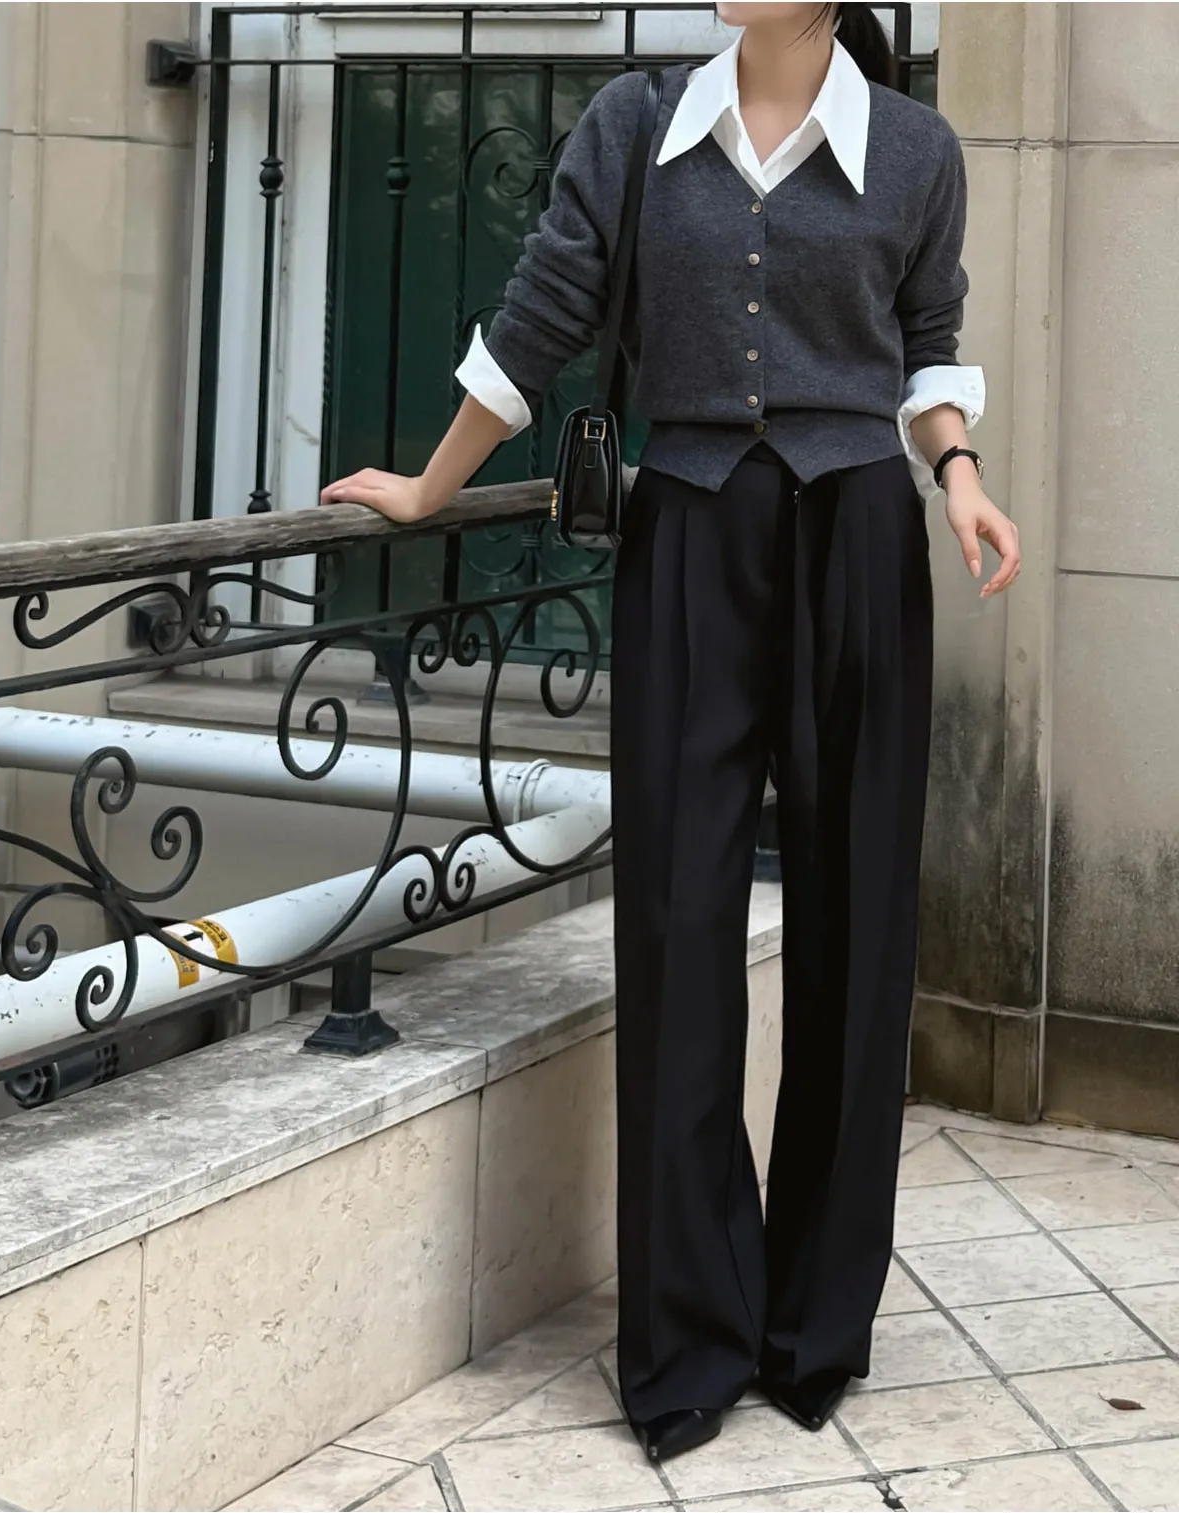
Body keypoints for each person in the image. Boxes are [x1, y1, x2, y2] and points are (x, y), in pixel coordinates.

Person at [322, 0, 1020, 1467]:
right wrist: (432, 487)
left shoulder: (916, 151)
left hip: (858, 541)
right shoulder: (637, 127)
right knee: (678, 919)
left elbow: (928, 344)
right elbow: (540, 318)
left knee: (856, 921)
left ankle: (816, 1326)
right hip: (692, 535)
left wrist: (959, 476)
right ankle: (690, 1334)